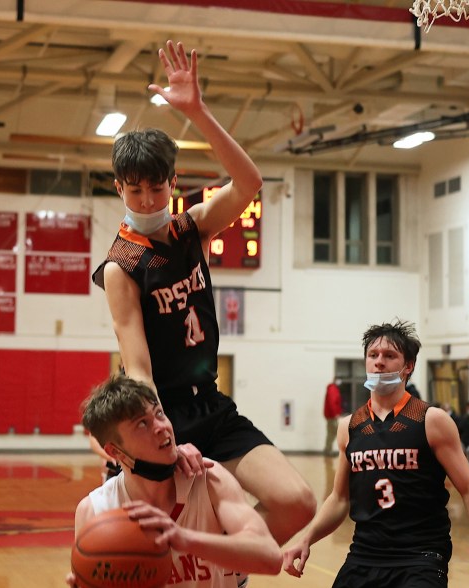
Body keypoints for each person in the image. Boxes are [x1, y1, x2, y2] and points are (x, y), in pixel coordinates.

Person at [91, 39, 315, 545]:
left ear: (173, 182)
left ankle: (225, 566)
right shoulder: (121, 267)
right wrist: (161, 434)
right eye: (135, 190)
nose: (147, 199)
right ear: (119, 189)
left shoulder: (192, 226)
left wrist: (197, 112)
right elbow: (138, 367)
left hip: (211, 403)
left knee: (297, 501)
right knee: (142, 544)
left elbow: (249, 181)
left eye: (156, 187)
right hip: (160, 412)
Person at [283, 319, 469, 588]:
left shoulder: (431, 420)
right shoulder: (349, 426)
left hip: (420, 557)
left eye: (389, 356)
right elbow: (339, 499)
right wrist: (307, 539)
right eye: (373, 355)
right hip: (364, 555)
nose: (379, 362)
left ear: (408, 366)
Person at [67, 375, 282, 588]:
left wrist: (186, 540)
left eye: (159, 413)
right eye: (142, 424)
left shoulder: (208, 478)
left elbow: (271, 557)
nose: (161, 426)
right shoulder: (94, 509)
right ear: (115, 452)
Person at [324, 378, 343, 456]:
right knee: (334, 432)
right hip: (332, 416)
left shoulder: (333, 389)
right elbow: (332, 403)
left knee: (331, 433)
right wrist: (335, 414)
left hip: (331, 415)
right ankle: (328, 450)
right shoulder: (332, 389)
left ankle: (328, 449)